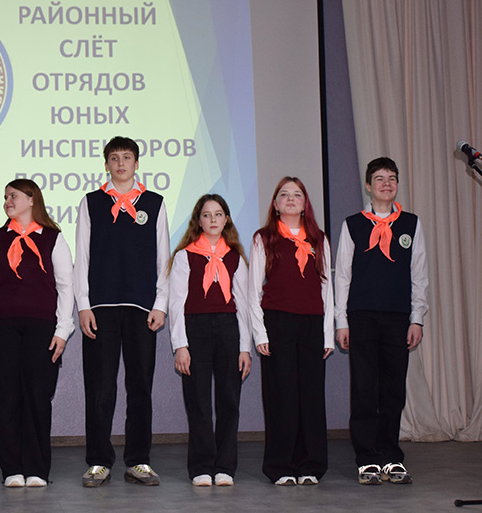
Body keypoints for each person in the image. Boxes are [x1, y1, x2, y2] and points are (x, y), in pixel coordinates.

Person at [74, 136, 170, 487]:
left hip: (142, 308)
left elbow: (163, 257)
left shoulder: (155, 203)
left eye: (126, 157)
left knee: (140, 386)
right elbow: (82, 256)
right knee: (100, 388)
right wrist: (83, 304)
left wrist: (160, 304)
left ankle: (139, 461)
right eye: (114, 158)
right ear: (106, 164)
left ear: (136, 163)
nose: (120, 164)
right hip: (101, 307)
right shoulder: (92, 202)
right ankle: (99, 461)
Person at [0, 179, 75, 488]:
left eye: (13, 196)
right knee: (7, 398)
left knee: (38, 398)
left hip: (42, 329)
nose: (7, 201)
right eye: (5, 196)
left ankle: (37, 469)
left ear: (32, 200)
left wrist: (62, 330)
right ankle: (12, 469)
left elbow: (66, 286)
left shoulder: (53, 239)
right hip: (2, 329)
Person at [334, 157, 428, 485]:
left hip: (398, 317)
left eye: (392, 178)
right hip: (361, 317)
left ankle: (391, 456)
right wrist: (341, 321)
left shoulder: (411, 224)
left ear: (397, 184)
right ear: (368, 185)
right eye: (379, 178)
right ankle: (367, 458)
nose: (386, 184)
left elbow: (419, 274)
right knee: (364, 388)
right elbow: (342, 275)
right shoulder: (353, 225)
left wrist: (417, 318)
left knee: (393, 389)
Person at [248, 177, 334, 486]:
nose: (290, 199)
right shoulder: (264, 238)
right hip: (277, 323)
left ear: (305, 203)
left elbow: (327, 289)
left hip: (311, 324)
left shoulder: (319, 239)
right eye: (284, 194)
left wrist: (327, 334)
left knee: (310, 396)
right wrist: (260, 333)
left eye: (297, 194)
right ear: (275, 204)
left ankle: (310, 464)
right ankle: (280, 466)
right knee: (281, 396)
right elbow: (253, 291)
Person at [168, 194, 251, 487]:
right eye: (207, 215)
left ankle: (225, 466)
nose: (213, 219)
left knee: (229, 401)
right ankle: (202, 466)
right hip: (196, 330)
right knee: (199, 402)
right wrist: (181, 345)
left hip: (229, 330)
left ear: (226, 219)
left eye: (218, 214)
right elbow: (176, 303)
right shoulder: (185, 255)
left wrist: (245, 348)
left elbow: (243, 304)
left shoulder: (235, 257)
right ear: (198, 221)